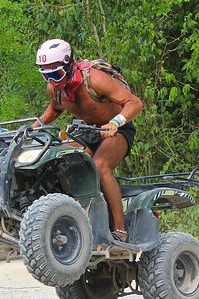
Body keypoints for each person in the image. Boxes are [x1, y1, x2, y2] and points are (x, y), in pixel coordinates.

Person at [34, 39, 143, 242]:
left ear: (68, 64)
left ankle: (120, 231)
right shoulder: (55, 89)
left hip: (117, 129)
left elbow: (134, 102)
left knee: (100, 165)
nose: (53, 80)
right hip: (85, 130)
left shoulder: (95, 80)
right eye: (46, 76)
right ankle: (73, 220)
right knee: (58, 160)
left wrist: (115, 122)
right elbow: (54, 110)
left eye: (56, 74)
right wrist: (30, 130)